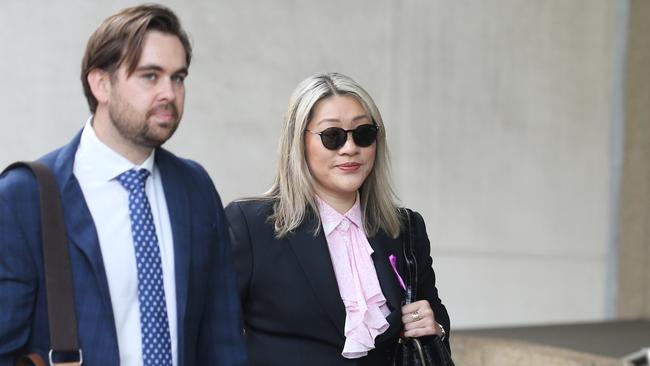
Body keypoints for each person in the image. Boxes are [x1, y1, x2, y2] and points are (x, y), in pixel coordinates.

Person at [0, 4, 246, 366]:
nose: (169, 93)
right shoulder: (25, 195)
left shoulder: (195, 188)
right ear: (100, 83)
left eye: (178, 78)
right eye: (150, 76)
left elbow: (222, 340)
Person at [225, 72, 450, 365]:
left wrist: (436, 328)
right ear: (299, 142)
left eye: (363, 133)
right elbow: (212, 333)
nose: (350, 148)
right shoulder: (251, 225)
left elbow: (434, 313)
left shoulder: (404, 228)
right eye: (332, 136)